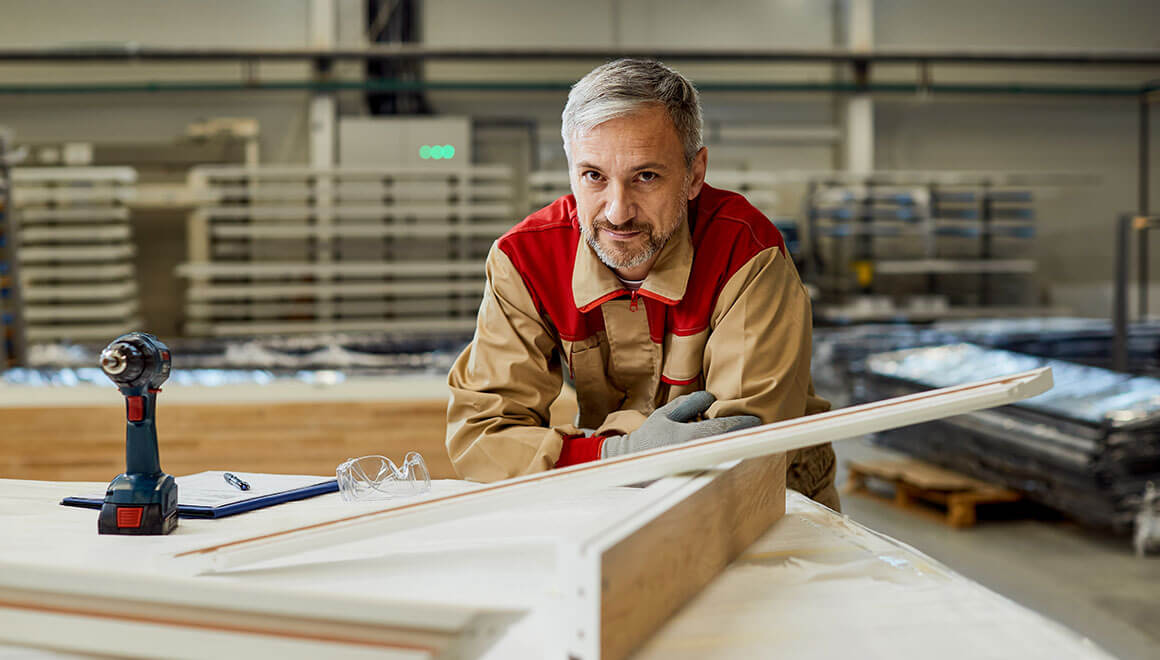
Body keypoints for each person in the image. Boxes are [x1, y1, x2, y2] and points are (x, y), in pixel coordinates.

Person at [445, 58, 838, 510]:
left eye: (646, 176)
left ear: (694, 174)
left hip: (773, 505)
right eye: (593, 176)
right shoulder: (525, 260)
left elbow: (740, 446)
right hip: (613, 502)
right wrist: (616, 455)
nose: (617, 211)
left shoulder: (746, 253)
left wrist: (579, 457)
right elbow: (482, 438)